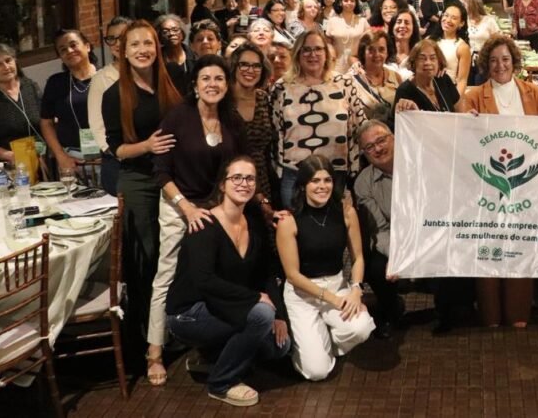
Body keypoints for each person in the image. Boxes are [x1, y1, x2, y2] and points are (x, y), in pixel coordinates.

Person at [147, 54, 245, 387]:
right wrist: (186, 208)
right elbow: (160, 172)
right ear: (194, 84)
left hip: (214, 206)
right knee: (168, 272)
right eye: (206, 78)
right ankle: (154, 352)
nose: (213, 84)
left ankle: (207, 344)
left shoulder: (231, 120)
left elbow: (238, 166)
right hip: (177, 204)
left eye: (219, 78)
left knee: (212, 273)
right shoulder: (177, 118)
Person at [165, 156, 290, 407]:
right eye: (236, 177)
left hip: (224, 305)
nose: (244, 183)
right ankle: (221, 382)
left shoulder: (253, 223)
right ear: (222, 184)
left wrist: (281, 316)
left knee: (280, 346)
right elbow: (203, 281)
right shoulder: (205, 225)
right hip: (189, 313)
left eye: (250, 178)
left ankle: (213, 359)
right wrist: (254, 299)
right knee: (260, 315)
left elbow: (265, 273)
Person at [101, 19, 184, 384]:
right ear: (122, 50)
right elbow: (117, 148)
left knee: (179, 256)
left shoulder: (176, 81)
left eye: (147, 43)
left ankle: (177, 330)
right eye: (134, 44)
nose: (142, 50)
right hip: (138, 180)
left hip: (178, 177)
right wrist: (147, 146)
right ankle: (148, 345)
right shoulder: (114, 94)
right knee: (146, 260)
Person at [465, 36, 538, 328]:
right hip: (487, 184)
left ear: (515, 62)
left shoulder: (533, 93)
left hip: (524, 183)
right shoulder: (474, 96)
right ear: (486, 64)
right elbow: (460, 135)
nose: (500, 65)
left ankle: (518, 313)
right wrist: (466, 120)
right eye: (494, 60)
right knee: (489, 245)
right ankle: (490, 315)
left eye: (506, 59)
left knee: (520, 245)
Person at [275, 155, 374, 380]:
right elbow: (292, 275)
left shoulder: (346, 212)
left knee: (362, 327)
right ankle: (310, 340)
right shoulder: (288, 221)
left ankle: (325, 335)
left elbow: (358, 257)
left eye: (327, 180)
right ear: (303, 185)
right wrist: (333, 299)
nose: (322, 186)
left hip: (336, 285)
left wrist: (357, 289)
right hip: (303, 294)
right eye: (315, 181)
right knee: (317, 372)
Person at [271, 28, 364, 208]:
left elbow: (359, 126)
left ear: (326, 53)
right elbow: (275, 134)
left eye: (318, 49)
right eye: (306, 49)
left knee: (334, 233)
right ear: (298, 53)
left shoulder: (344, 84)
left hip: (335, 175)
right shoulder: (282, 87)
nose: (312, 54)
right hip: (295, 176)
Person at [353, 121, 403, 338]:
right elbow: (380, 230)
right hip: (393, 239)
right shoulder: (363, 183)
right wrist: (398, 257)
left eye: (381, 140)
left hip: (430, 235)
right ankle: (393, 310)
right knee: (375, 267)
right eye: (370, 147)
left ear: (393, 137)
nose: (378, 149)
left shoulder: (420, 161)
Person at [40, 29, 99, 174]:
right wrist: (61, 155)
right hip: (71, 159)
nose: (70, 51)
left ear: (87, 46)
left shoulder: (107, 77)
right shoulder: (56, 83)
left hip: (107, 157)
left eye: (74, 45)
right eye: (63, 49)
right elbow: (46, 122)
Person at [229, 44, 276, 215]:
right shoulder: (223, 100)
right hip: (230, 182)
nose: (251, 70)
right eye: (244, 64)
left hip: (261, 178)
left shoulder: (264, 98)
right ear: (234, 66)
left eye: (256, 66)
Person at [88, 16, 131, 196]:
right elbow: (97, 124)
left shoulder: (149, 72)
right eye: (111, 38)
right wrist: (115, 152)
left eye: (122, 37)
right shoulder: (101, 78)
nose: (116, 43)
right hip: (117, 159)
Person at [0, 44, 44, 165]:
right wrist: (15, 157)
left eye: (8, 60)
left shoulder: (31, 87)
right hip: (7, 168)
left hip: (42, 160)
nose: (6, 67)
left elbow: (46, 123)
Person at [393, 39, 470, 115]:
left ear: (438, 62)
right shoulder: (405, 91)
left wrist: (468, 116)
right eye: (422, 58)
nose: (428, 62)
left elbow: (460, 113)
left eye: (432, 58)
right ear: (413, 62)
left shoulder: (444, 80)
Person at [349, 32, 402, 127]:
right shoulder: (351, 80)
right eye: (371, 50)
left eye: (381, 49)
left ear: (387, 52)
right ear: (363, 52)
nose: (377, 54)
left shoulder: (396, 77)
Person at [326, 0, 370, 74]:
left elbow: (369, 41)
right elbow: (328, 43)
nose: (349, 3)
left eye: (352, 1)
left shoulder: (362, 21)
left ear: (356, 3)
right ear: (340, 2)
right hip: (337, 64)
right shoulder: (332, 21)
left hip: (357, 64)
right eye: (346, 0)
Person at [436, 1, 472, 96]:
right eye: (446, 15)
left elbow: (462, 80)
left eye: (454, 18)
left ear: (461, 23)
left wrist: (456, 102)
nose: (448, 20)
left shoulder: (462, 47)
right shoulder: (430, 40)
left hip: (447, 92)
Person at [388, 8, 420, 75]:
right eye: (399, 22)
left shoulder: (419, 55)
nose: (402, 26)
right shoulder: (385, 54)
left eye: (407, 23)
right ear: (392, 27)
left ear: (413, 28)